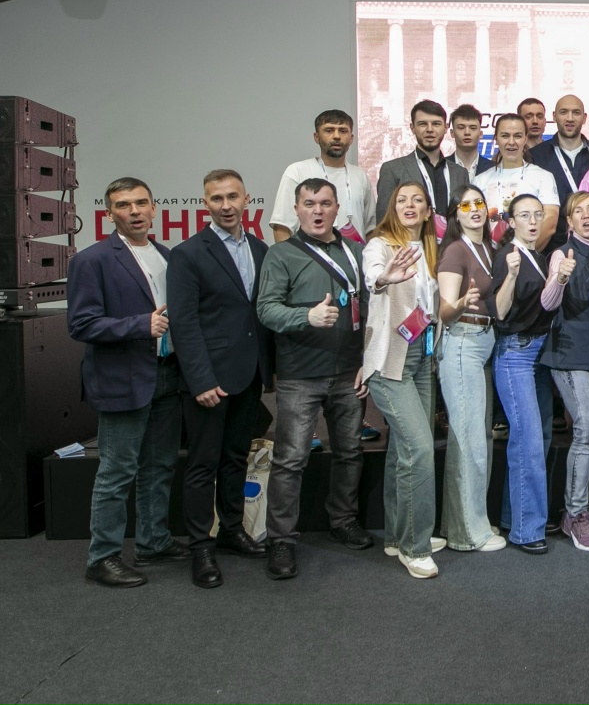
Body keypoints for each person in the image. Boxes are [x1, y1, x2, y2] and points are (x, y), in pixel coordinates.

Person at [68, 177, 187, 588]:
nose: (134, 211)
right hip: (122, 379)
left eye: (140, 203)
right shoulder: (92, 260)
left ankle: (153, 542)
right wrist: (140, 325)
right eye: (123, 205)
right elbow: (81, 324)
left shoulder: (167, 255)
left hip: (167, 374)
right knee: (117, 472)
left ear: (154, 208)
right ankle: (102, 557)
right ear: (108, 213)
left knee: (160, 465)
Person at [256, 178, 372, 580]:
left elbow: (370, 308)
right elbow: (266, 309)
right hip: (300, 375)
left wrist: (368, 360)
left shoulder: (356, 251)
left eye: (325, 203)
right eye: (309, 204)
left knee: (350, 452)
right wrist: (306, 316)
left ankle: (343, 520)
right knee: (290, 460)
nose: (318, 211)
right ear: (297, 209)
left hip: (349, 372)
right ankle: (281, 539)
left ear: (338, 208)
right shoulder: (281, 254)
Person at [168, 170, 273, 588]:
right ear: (205, 203)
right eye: (217, 198)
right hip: (208, 380)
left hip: (249, 374)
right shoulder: (188, 254)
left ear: (247, 199)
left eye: (233, 196)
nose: (226, 205)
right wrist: (199, 380)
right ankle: (200, 547)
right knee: (202, 464)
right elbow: (183, 323)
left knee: (235, 459)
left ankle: (231, 530)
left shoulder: (262, 249)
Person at [362, 181, 447, 579]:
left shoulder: (431, 250)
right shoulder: (380, 246)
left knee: (402, 452)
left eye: (417, 200)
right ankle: (416, 547)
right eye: (402, 200)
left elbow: (429, 309)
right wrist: (386, 277)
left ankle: (398, 537)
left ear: (428, 211)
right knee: (420, 449)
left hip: (421, 359)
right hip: (390, 362)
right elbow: (373, 279)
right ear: (392, 208)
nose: (409, 205)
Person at [539, 191, 589, 551]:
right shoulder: (563, 254)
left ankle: (581, 508)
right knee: (587, 428)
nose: (586, 215)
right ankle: (573, 514)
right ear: (569, 222)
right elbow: (547, 303)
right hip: (567, 353)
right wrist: (560, 278)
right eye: (578, 211)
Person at [435, 184, 506, 553]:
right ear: (455, 214)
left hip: (485, 342)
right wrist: (462, 302)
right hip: (462, 341)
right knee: (469, 440)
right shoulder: (455, 250)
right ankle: (468, 533)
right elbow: (445, 311)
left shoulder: (490, 248)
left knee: (481, 437)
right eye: (465, 206)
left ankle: (464, 522)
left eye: (479, 203)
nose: (475, 209)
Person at [487, 194, 555, 555]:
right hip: (515, 353)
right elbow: (499, 311)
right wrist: (511, 275)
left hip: (538, 352)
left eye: (537, 215)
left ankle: (515, 518)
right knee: (528, 441)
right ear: (511, 222)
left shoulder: (539, 257)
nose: (532, 221)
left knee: (536, 439)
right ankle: (528, 531)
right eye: (524, 216)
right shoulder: (508, 257)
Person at [269, 110, 375, 244]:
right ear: (316, 137)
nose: (337, 136)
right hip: (308, 255)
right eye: (329, 130)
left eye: (343, 131)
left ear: (351, 138)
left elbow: (371, 230)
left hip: (354, 255)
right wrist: (288, 257)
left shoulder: (360, 176)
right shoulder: (297, 171)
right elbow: (282, 227)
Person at [529, 94, 589, 252]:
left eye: (576, 113)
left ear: (584, 118)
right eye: (564, 112)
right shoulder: (535, 157)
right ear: (554, 116)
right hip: (550, 250)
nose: (570, 118)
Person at [474, 113, 560, 251]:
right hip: (489, 257)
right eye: (505, 136)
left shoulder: (543, 177)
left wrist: (524, 255)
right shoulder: (480, 180)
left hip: (529, 256)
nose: (511, 142)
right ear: (496, 139)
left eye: (518, 136)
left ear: (525, 139)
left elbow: (549, 223)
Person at [376, 99, 469, 220]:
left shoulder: (460, 173)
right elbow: (384, 220)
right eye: (422, 124)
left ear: (446, 128)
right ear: (412, 128)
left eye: (436, 124)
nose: (429, 129)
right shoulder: (393, 170)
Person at [445, 103, 494, 181]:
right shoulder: (441, 167)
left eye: (473, 128)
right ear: (452, 133)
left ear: (480, 134)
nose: (467, 132)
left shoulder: (494, 169)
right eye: (461, 127)